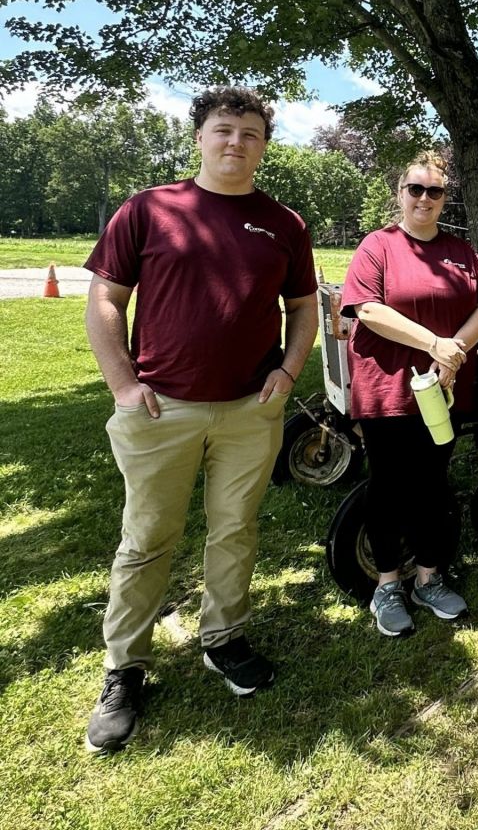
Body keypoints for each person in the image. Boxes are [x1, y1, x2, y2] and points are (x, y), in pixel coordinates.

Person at [82, 87, 319, 754]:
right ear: (200, 137)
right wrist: (122, 383)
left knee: (235, 530)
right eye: (224, 130)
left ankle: (224, 638)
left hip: (250, 409)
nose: (236, 142)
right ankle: (124, 667)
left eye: (250, 133)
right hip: (162, 408)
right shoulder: (149, 210)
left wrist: (288, 371)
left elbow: (302, 306)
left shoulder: (285, 224)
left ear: (264, 147)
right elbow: (106, 297)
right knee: (148, 538)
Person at [341, 151, 478, 637]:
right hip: (387, 388)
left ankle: (429, 576)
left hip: (441, 392)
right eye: (416, 189)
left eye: (436, 191)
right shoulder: (377, 246)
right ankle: (388, 584)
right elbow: (367, 310)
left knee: (433, 483)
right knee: (387, 486)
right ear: (400, 194)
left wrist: (454, 352)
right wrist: (435, 344)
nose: (425, 199)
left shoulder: (462, 252)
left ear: (446, 198)